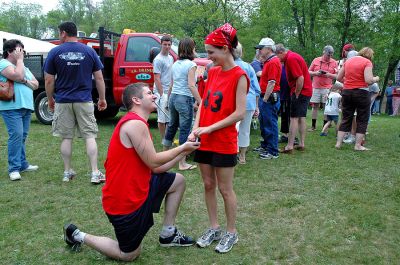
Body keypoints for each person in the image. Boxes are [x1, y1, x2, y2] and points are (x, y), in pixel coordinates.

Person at [63, 83, 200, 261]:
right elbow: (153, 161)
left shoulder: (138, 122)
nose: (154, 96)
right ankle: (77, 235)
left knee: (178, 181)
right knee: (128, 254)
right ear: (136, 100)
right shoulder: (135, 124)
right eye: (150, 93)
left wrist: (184, 152)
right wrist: (182, 148)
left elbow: (155, 168)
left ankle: (168, 234)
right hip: (124, 202)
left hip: (140, 188)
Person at [189, 23, 249, 253]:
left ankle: (231, 232)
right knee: (207, 184)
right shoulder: (212, 72)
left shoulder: (240, 75)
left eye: (211, 52)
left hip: (223, 141)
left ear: (225, 49)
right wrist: (196, 128)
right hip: (204, 137)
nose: (208, 57)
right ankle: (214, 227)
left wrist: (210, 128)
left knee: (225, 189)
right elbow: (203, 102)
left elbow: (239, 113)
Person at [44, 21, 107, 183]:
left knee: (66, 137)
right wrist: (102, 98)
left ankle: (67, 172)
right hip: (84, 100)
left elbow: (49, 80)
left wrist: (50, 99)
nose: (59, 36)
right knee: (90, 136)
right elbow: (99, 78)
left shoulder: (54, 52)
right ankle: (94, 172)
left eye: (59, 33)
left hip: (63, 101)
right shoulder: (89, 52)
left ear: (64, 33)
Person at [0, 39, 39, 181]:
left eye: (22, 50)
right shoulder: (3, 63)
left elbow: (35, 84)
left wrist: (24, 81)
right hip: (11, 107)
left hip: (25, 106)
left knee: (22, 136)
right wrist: (20, 63)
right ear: (9, 51)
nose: (22, 53)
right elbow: (17, 75)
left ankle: (22, 164)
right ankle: (14, 168)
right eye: (19, 50)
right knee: (16, 135)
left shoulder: (23, 67)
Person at [162, 37, 202, 170]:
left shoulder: (175, 64)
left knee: (172, 126)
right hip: (184, 99)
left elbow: (171, 85)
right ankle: (182, 163)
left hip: (173, 98)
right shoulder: (191, 65)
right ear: (191, 49)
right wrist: (200, 101)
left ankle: (163, 156)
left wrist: (167, 100)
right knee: (185, 129)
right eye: (194, 47)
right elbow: (191, 85)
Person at [335, 47, 379, 151]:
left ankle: (338, 143)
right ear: (370, 55)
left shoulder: (348, 61)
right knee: (362, 119)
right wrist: (376, 78)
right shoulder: (367, 62)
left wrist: (350, 80)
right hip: (361, 93)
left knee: (346, 118)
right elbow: (368, 80)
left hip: (347, 92)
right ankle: (358, 145)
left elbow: (338, 78)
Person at [275, 44, 312, 153]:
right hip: (306, 91)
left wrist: (296, 93)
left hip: (301, 91)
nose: (276, 59)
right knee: (301, 117)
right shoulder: (291, 57)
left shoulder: (291, 58)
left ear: (281, 52)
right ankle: (301, 143)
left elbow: (300, 78)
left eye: (276, 56)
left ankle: (290, 146)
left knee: (294, 118)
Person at [253, 37, 281, 159]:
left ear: (269, 49)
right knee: (265, 123)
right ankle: (266, 146)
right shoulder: (269, 61)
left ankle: (273, 151)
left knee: (270, 124)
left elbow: (272, 82)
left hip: (269, 98)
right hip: (266, 96)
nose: (259, 51)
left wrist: (264, 99)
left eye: (261, 48)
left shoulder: (273, 62)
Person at [233, 43, 260, 164]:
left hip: (232, 102)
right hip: (248, 102)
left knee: (230, 129)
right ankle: (242, 156)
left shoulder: (227, 66)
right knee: (245, 130)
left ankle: (232, 153)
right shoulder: (248, 67)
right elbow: (256, 89)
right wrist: (257, 106)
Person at [308, 45, 338, 131]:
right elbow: (308, 71)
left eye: (331, 55)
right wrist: (315, 73)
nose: (330, 57)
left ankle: (325, 127)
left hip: (327, 88)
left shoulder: (334, 62)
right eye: (328, 55)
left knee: (326, 107)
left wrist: (328, 74)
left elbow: (337, 76)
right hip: (316, 87)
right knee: (315, 106)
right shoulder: (316, 60)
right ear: (324, 52)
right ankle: (313, 126)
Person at [153, 36, 173, 141]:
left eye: (169, 44)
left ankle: (167, 139)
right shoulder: (158, 59)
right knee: (161, 119)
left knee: (169, 118)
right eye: (165, 44)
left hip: (169, 91)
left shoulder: (171, 58)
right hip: (161, 92)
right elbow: (157, 79)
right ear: (161, 44)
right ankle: (163, 139)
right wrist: (162, 95)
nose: (167, 46)